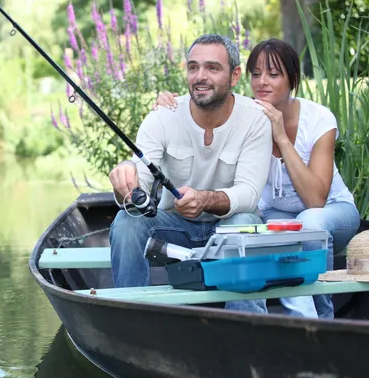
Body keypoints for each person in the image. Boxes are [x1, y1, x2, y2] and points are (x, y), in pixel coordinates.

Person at [154, 38, 361, 318]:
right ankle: (272, 322)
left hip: (331, 212)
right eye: (256, 74)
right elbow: (205, 106)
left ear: (293, 80)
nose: (262, 82)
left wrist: (281, 137)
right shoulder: (245, 117)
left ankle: (324, 320)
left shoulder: (318, 119)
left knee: (308, 223)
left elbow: (315, 199)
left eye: (274, 74)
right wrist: (170, 104)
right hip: (274, 217)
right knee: (248, 226)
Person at [108, 34, 273, 314]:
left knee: (246, 223)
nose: (200, 76)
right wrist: (125, 181)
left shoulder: (255, 118)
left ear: (234, 76)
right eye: (193, 67)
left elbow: (249, 193)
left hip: (229, 228)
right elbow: (141, 181)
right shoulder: (163, 116)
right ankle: (130, 319)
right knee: (127, 221)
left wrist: (205, 199)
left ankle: (246, 328)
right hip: (174, 228)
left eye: (212, 68)